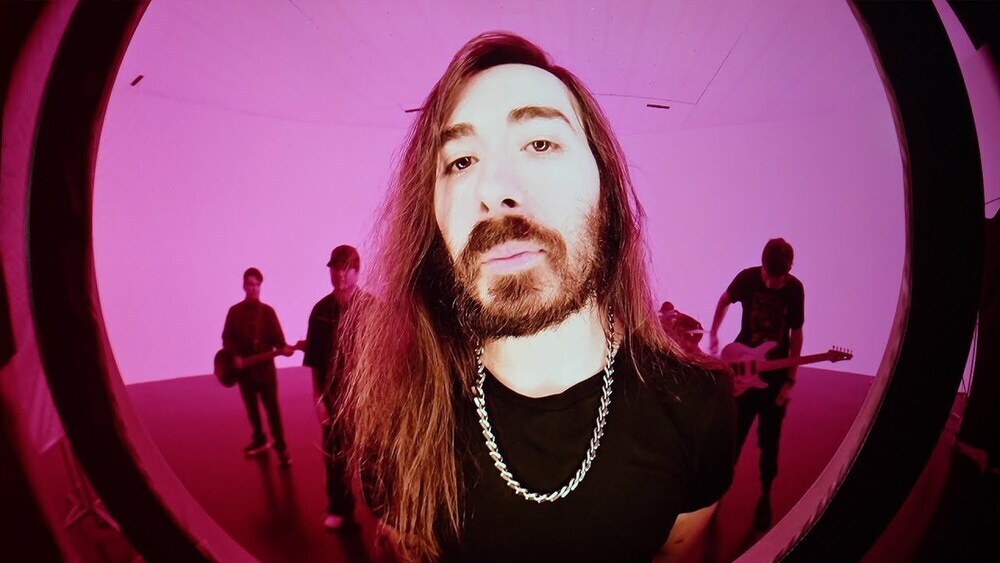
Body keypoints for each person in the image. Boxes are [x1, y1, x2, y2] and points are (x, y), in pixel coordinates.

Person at [335, 32, 736, 562]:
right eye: (461, 161)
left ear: (606, 191)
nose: (494, 190)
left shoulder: (697, 407)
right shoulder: (397, 420)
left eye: (540, 144)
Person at [708, 238, 804, 530]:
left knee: (769, 440)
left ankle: (765, 496)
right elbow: (724, 300)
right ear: (762, 265)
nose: (772, 282)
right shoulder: (748, 279)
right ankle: (716, 496)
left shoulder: (795, 290)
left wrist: (790, 380)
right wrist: (714, 333)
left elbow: (797, 334)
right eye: (769, 275)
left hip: (774, 377)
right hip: (742, 368)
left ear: (787, 271)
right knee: (733, 438)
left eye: (779, 278)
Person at [304, 245, 364, 530]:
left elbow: (386, 358)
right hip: (333, 397)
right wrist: (318, 399)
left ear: (357, 272)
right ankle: (340, 508)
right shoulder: (320, 312)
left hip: (368, 399)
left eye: (347, 268)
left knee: (375, 457)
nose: (341, 274)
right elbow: (315, 361)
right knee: (335, 457)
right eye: (336, 268)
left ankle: (385, 510)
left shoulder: (372, 309)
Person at [222, 267, 293, 466]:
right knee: (251, 409)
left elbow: (279, 340)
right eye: (250, 284)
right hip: (244, 373)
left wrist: (285, 348)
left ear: (260, 287)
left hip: (265, 373)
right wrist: (234, 357)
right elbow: (227, 338)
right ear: (244, 286)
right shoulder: (234, 312)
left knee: (272, 410)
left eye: (257, 285)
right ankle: (260, 439)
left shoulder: (268, 312)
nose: (253, 288)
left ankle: (281, 447)